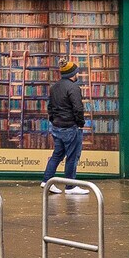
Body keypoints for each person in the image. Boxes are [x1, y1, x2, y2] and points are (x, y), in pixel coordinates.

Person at [43, 58, 88, 193]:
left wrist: (53, 120)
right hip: (70, 127)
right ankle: (70, 186)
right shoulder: (74, 88)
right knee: (73, 156)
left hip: (57, 127)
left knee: (57, 154)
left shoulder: (54, 87)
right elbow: (78, 108)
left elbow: (50, 107)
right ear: (72, 74)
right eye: (77, 72)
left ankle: (46, 181)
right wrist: (80, 123)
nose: (78, 75)